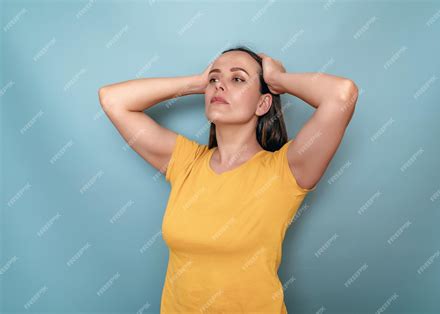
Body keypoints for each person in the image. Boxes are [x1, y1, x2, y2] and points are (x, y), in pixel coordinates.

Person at [98, 46, 358, 313]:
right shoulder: (186, 162)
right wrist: (197, 82)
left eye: (237, 79)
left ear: (262, 103)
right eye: (215, 79)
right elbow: (112, 100)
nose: (219, 85)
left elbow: (342, 95)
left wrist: (278, 80)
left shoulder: (286, 170)